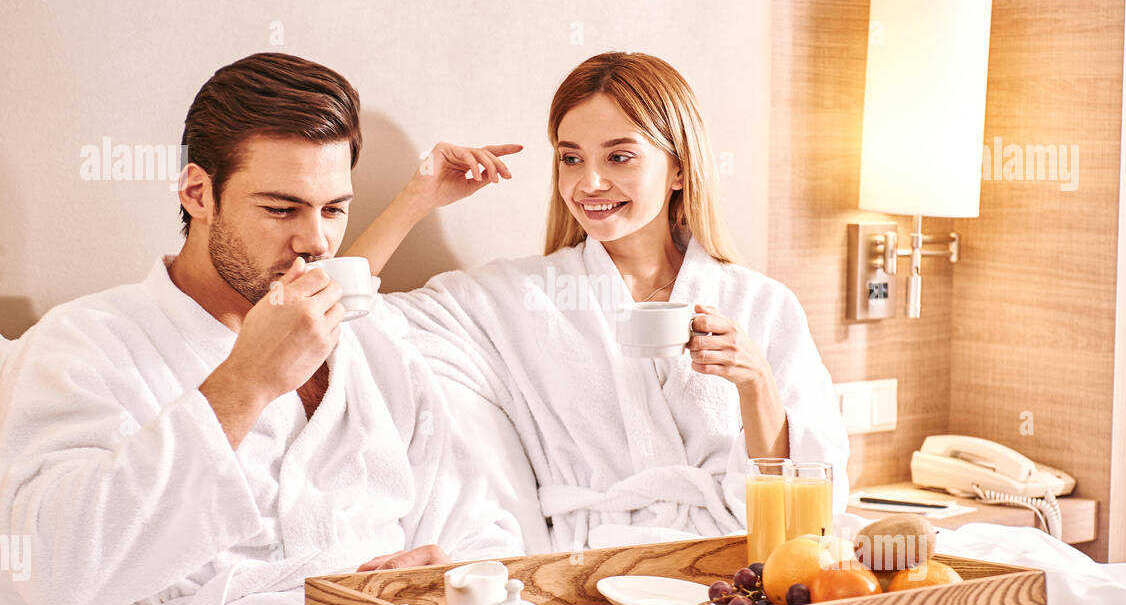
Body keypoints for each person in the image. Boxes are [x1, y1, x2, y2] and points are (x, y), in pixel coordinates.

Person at [0, 52, 524, 605]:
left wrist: (443, 574)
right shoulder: (91, 342)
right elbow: (59, 578)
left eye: (335, 209)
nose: (316, 241)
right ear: (197, 193)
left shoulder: (374, 338)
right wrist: (244, 382)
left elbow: (478, 519)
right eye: (281, 208)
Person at [345, 51, 850, 552]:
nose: (588, 183)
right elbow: (339, 316)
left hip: (728, 572)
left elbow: (809, 508)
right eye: (571, 159)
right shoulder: (521, 299)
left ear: (679, 168)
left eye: (619, 156)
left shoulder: (762, 305)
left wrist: (756, 383)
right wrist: (419, 197)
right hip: (586, 580)